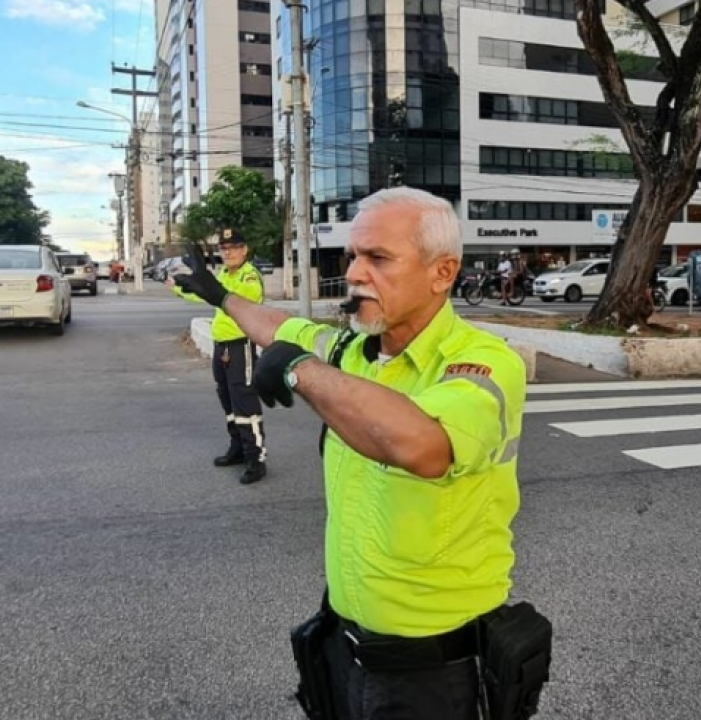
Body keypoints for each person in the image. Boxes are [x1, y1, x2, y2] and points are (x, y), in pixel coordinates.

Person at [174, 187, 541, 720]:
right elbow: (279, 329)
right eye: (352, 257)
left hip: (433, 668)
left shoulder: (483, 362)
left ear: (442, 272)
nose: (353, 274)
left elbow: (423, 445)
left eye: (378, 258)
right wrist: (217, 295)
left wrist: (299, 369)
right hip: (344, 642)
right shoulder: (353, 349)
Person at [167, 229, 268, 485]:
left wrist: (209, 285)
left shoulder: (249, 276)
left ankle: (256, 459)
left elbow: (236, 298)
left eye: (234, 247)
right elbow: (206, 293)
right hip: (221, 345)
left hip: (240, 344)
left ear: (245, 250)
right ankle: (237, 447)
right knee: (227, 400)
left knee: (244, 401)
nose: (228, 252)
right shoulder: (224, 274)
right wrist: (178, 287)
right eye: (224, 248)